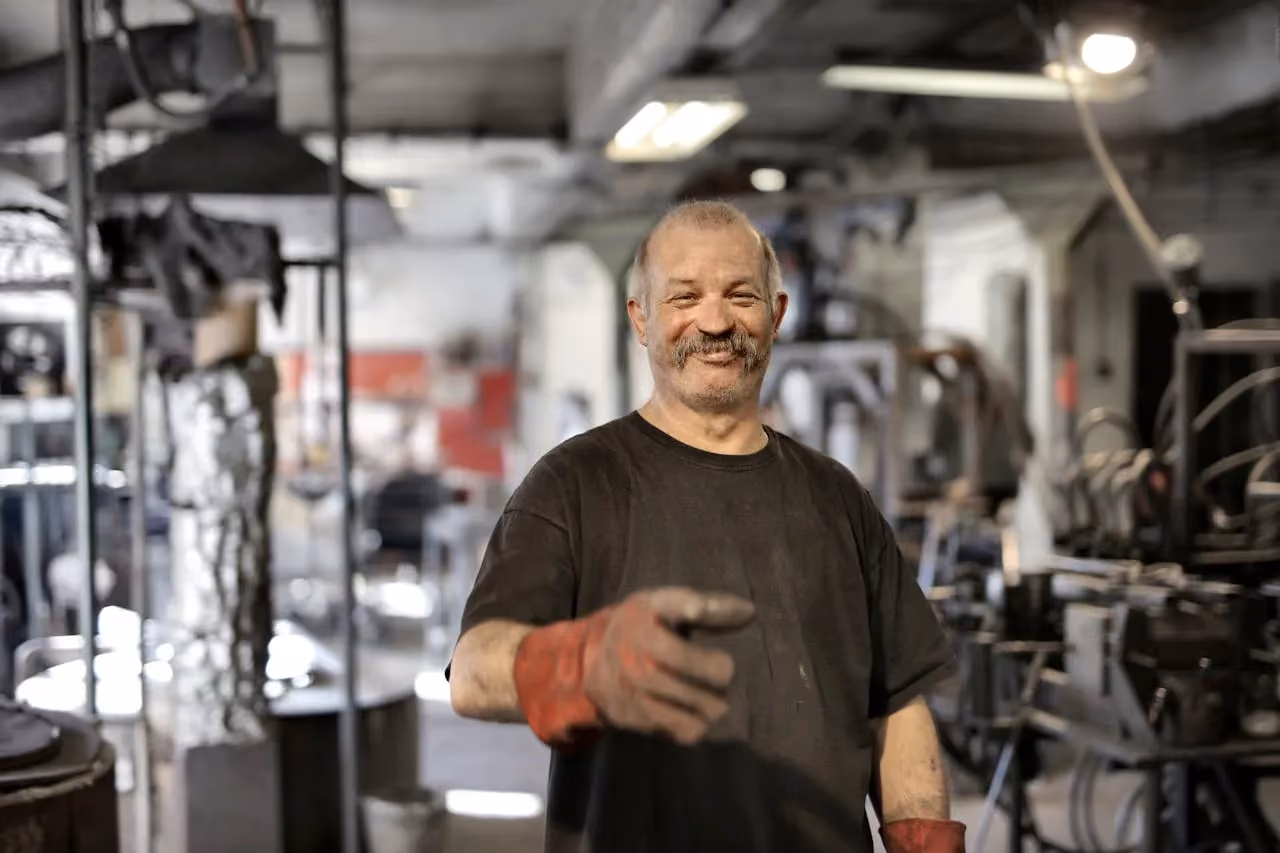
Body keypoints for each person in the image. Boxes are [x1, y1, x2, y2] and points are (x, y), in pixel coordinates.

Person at [447, 200, 964, 853]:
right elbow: (473, 672)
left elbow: (897, 706)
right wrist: (582, 663)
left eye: (740, 295)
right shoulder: (573, 484)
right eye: (685, 296)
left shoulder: (838, 498)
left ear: (775, 315)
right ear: (642, 318)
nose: (715, 321)